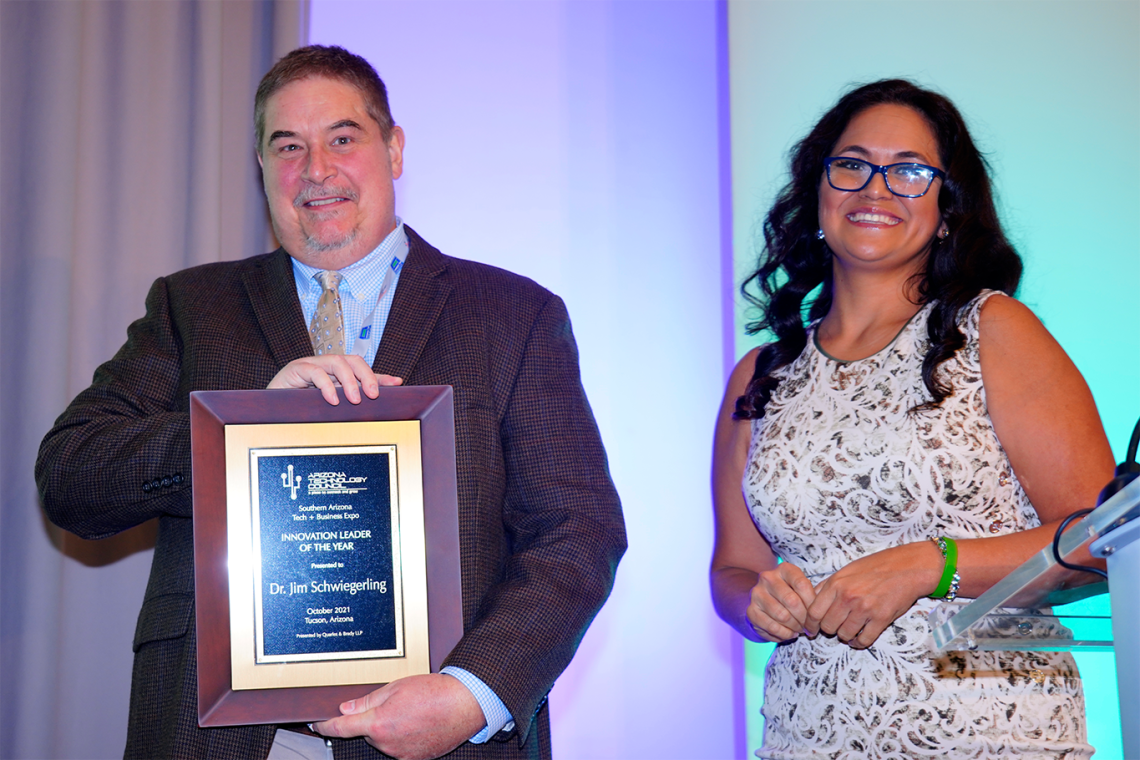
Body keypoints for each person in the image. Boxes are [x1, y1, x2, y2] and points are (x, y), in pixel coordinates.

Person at [36, 45, 625, 760]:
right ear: (260, 167)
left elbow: (578, 532)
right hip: (221, 740)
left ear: (394, 148)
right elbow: (70, 474)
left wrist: (472, 693)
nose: (315, 170)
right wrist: (238, 427)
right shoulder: (192, 307)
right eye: (288, 146)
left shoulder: (512, 314)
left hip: (441, 736)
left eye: (341, 138)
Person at [710, 79, 1115, 758]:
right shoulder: (760, 375)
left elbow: (1100, 544)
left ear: (947, 208)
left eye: (908, 171)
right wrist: (757, 602)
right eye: (853, 165)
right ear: (818, 192)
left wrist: (934, 564)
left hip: (991, 730)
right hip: (811, 729)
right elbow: (732, 569)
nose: (875, 188)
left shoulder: (994, 330)